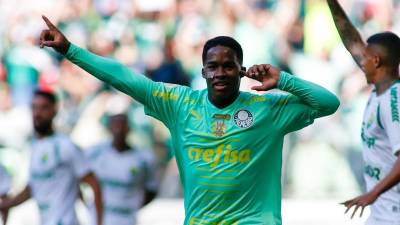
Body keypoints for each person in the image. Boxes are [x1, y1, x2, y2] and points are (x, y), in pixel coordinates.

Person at [39, 15, 339, 225]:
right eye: (213, 66)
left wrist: (283, 79)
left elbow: (329, 103)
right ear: (203, 72)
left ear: (242, 70)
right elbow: (124, 77)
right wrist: (70, 50)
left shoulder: (267, 110)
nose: (220, 73)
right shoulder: (180, 105)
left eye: (228, 66)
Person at [327, 0, 400, 224]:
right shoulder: (379, 92)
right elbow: (352, 42)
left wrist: (372, 193)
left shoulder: (394, 100)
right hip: (380, 213)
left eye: (365, 57)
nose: (360, 60)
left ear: (376, 61)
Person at [0, 90, 103, 225]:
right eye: (34, 108)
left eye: (44, 108)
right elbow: (32, 188)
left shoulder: (66, 146)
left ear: (55, 110)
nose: (37, 113)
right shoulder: (35, 145)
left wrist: (98, 221)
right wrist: (6, 204)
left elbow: (94, 184)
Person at [86, 113, 158, 225]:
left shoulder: (143, 158)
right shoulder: (94, 153)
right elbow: (78, 176)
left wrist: (135, 205)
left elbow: (152, 189)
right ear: (109, 128)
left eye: (122, 125)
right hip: (100, 217)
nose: (118, 130)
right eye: (115, 125)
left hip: (126, 218)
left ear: (129, 129)